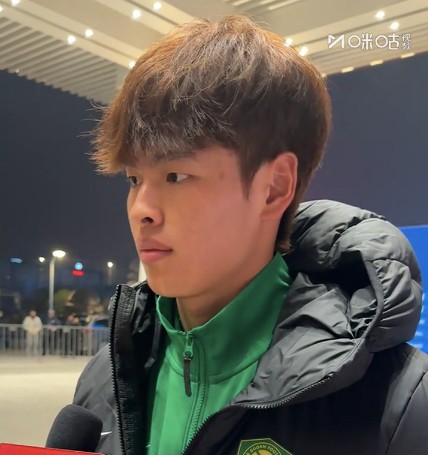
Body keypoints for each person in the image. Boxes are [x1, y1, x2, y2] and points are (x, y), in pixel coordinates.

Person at [70, 15, 428, 455]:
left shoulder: (399, 404)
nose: (141, 209)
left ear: (274, 187)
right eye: (133, 179)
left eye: (176, 175)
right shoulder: (103, 381)